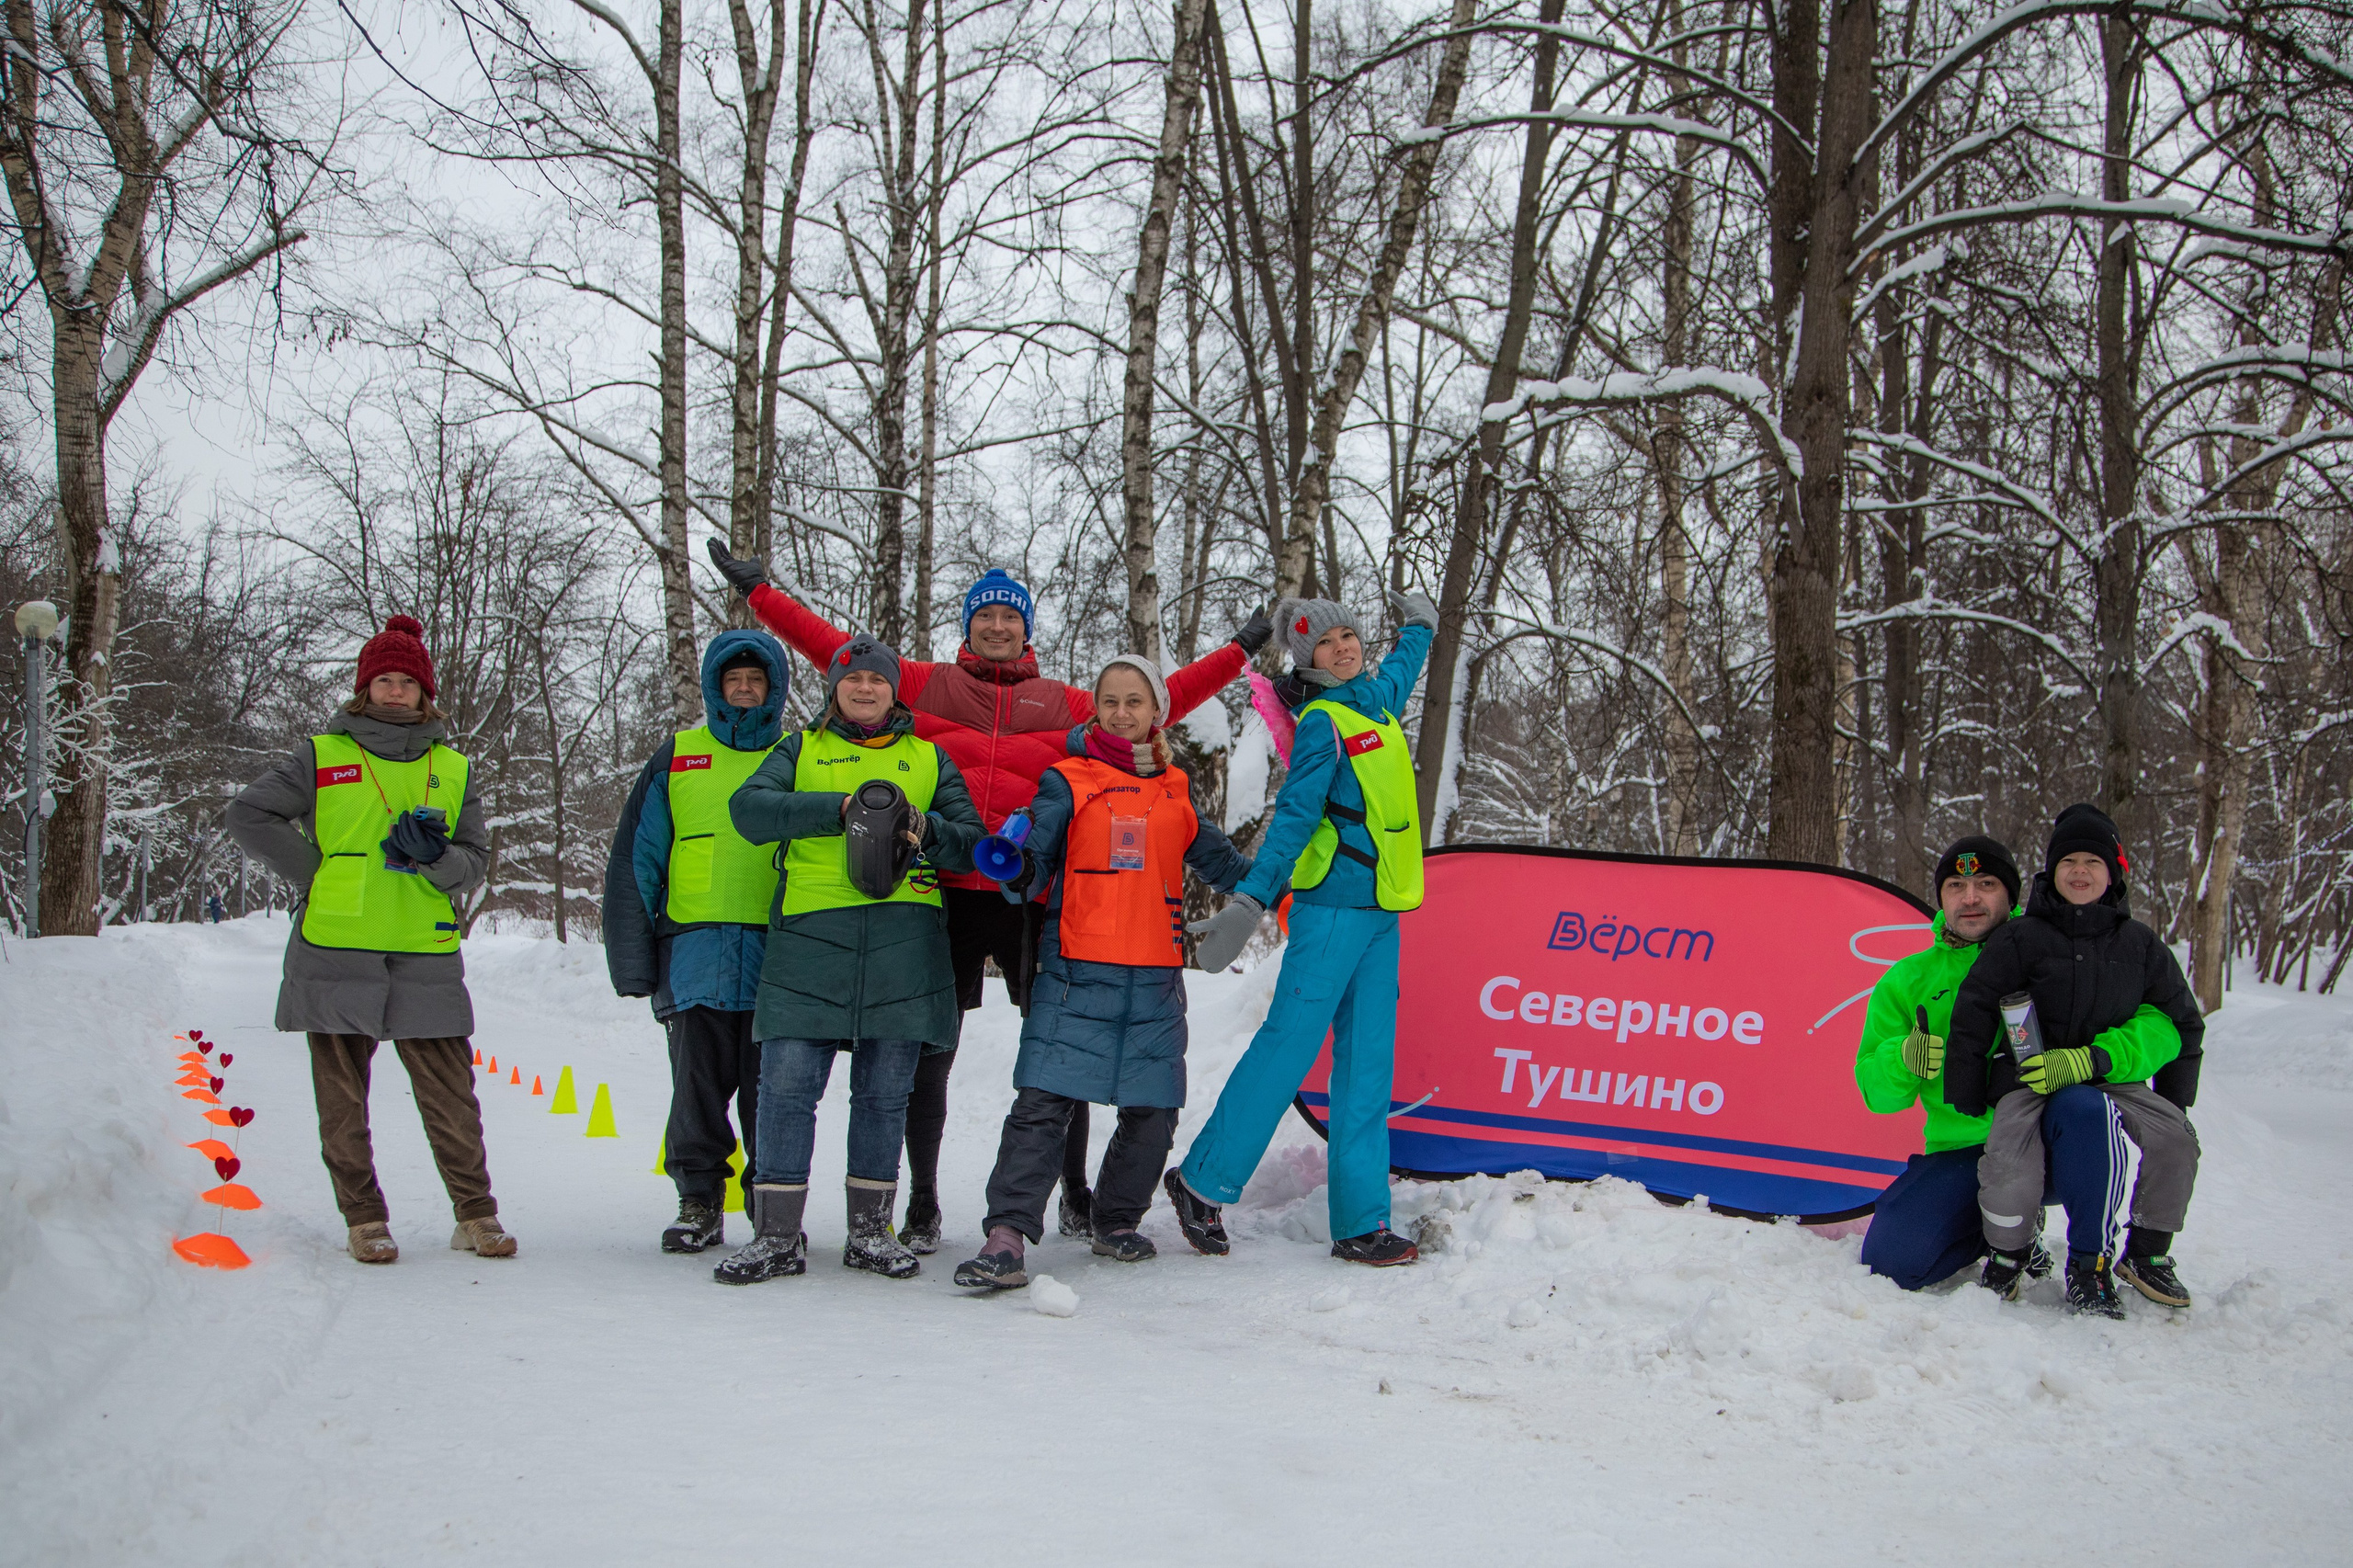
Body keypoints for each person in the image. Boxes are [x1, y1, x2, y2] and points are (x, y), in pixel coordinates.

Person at [706, 540, 1267, 1251]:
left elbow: (1161, 698)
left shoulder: (1063, 703)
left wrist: (1240, 650)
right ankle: (923, 1200)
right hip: (943, 891)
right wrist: (761, 594)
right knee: (929, 1049)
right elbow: (837, 652)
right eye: (985, 616)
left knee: (1060, 1046)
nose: (998, 626)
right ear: (968, 626)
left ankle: (1075, 1192)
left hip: (1027, 893)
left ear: (1026, 630)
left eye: (1010, 617)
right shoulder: (927, 684)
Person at [952, 654, 1257, 1289]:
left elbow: (1225, 866)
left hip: (1154, 978)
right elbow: (1033, 862)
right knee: (1042, 1104)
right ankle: (1006, 1237)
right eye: (1110, 701)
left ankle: (1115, 1221)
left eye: (1134, 701)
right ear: (1096, 709)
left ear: (1157, 712)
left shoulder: (1176, 788)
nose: (1120, 713)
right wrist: (1015, 864)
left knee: (1154, 1109)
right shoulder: (1067, 779)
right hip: (1075, 972)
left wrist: (1287, 884)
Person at [225, 614, 515, 1265]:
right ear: (365, 688)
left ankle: (476, 1213)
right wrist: (319, 871)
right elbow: (247, 814)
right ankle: (364, 1219)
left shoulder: (453, 767)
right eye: (384, 680)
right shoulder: (322, 755)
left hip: (423, 947)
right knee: (342, 1100)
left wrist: (436, 859)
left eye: (407, 682)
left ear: (424, 693)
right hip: (336, 945)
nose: (395, 691)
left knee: (451, 1097)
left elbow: (473, 863)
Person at [1163, 591, 1437, 1267]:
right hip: (1331, 913)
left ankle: (1361, 1222)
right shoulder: (1322, 723)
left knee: (1368, 1067)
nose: (1342, 648)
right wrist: (1251, 901)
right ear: (1307, 659)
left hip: (1381, 914)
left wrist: (1420, 627)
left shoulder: (1376, 701)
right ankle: (1201, 1182)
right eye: (1326, 643)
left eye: (1349, 636)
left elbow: (1402, 668)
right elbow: (1293, 819)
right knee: (1288, 1048)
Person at [711, 635, 983, 1285]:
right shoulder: (798, 749)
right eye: (853, 679)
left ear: (895, 691)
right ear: (834, 688)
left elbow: (971, 844)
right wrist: (836, 810)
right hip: (810, 940)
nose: (865, 689)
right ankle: (776, 1237)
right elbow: (748, 811)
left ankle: (870, 1234)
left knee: (885, 1096)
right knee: (785, 1090)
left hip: (903, 944)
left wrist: (926, 828)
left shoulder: (928, 757)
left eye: (878, 680)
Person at [1852, 832, 2181, 1306]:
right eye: (1956, 887)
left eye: (1986, 884)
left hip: (2054, 1138)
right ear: (1941, 897)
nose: (1970, 898)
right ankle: (2008, 1236)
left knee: (2084, 1107)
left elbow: (2161, 1025)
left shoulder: (2059, 948)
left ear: (2011, 894)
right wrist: (1901, 1060)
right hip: (1964, 1147)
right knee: (1893, 1261)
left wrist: (2095, 1057)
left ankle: (2091, 1263)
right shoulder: (1906, 980)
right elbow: (1877, 1096)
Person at [1947, 803, 2205, 1316]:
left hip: (2111, 1076)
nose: (2079, 871)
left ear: (2113, 873)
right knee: (2007, 1165)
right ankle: (2008, 1254)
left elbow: (2184, 1021)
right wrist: (1967, 1087)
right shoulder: (2021, 937)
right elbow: (1974, 1008)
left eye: (2093, 861)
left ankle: (2144, 1254)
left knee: (2178, 1142)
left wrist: (2175, 1100)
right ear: (2052, 870)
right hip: (2032, 1076)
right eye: (2068, 861)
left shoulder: (2140, 944)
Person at [604, 631, 792, 1253]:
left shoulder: (797, 756)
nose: (744, 688)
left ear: (774, 688)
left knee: (773, 1096)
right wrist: (632, 959)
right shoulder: (677, 757)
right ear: (715, 686)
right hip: (693, 958)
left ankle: (773, 1209)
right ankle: (699, 1202)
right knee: (696, 1094)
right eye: (733, 679)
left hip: (779, 959)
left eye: (756, 679)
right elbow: (636, 861)